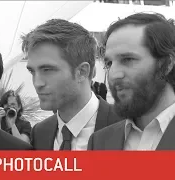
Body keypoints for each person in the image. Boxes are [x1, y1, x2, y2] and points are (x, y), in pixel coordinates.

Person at [88, 13, 175, 150]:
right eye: (109, 63)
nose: (113, 74)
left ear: (167, 64)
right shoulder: (99, 141)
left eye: (128, 59)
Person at [22, 19, 121, 150]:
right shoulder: (40, 132)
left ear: (82, 72)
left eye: (47, 70)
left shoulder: (126, 127)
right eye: (32, 71)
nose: (37, 83)